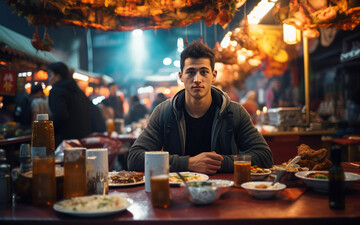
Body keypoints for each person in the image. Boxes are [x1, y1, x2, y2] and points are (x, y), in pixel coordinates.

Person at [127, 41, 273, 174]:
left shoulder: (234, 112)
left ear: (213, 75)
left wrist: (217, 164)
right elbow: (134, 158)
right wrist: (188, 163)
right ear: (181, 76)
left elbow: (264, 157)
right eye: (191, 72)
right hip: (177, 193)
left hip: (226, 191)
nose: (197, 79)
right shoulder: (164, 112)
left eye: (204, 72)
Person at [47, 62, 92, 147]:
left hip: (64, 143)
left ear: (58, 76)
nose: (49, 79)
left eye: (50, 75)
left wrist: (46, 130)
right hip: (82, 140)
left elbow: (59, 115)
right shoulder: (79, 92)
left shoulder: (56, 91)